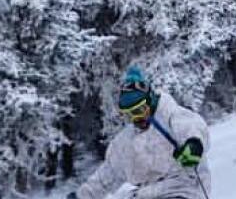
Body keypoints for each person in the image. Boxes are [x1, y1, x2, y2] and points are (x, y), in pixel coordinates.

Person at [76, 67, 212, 199]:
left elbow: (192, 127)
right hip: (146, 194)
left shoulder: (171, 116)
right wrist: (82, 195)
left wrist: (193, 145)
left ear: (150, 100)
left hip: (183, 189)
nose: (136, 118)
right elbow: (107, 175)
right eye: (129, 114)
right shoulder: (125, 142)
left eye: (139, 110)